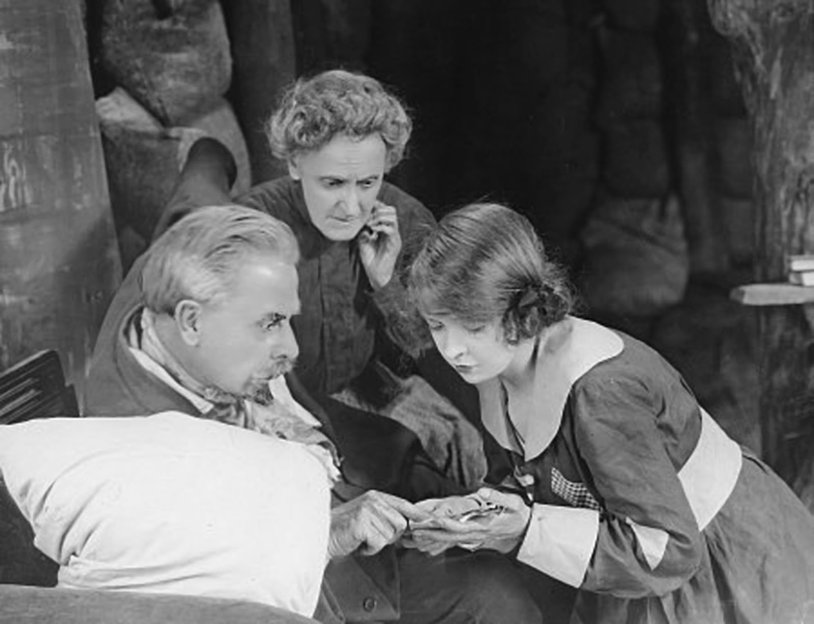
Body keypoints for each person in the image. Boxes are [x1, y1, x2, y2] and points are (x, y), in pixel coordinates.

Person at [85, 205, 544, 624]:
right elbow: (205, 588)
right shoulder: (137, 446)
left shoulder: (182, 260)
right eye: (269, 323)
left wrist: (211, 153)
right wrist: (327, 531)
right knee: (498, 598)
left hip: (358, 473)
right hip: (312, 575)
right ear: (189, 322)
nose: (292, 349)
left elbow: (196, 186)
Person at [404, 202, 814, 624]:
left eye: (471, 327)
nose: (452, 349)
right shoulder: (499, 366)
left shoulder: (599, 395)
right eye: (438, 325)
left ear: (519, 312)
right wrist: (480, 513)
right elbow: (541, 477)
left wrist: (526, 529)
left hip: (719, 567)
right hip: (634, 568)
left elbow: (669, 549)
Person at [155, 69, 487, 490]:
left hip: (370, 387)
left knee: (462, 453)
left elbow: (433, 351)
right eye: (332, 183)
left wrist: (387, 285)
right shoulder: (248, 228)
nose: (351, 206)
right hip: (276, 402)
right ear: (295, 163)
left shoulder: (404, 220)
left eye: (368, 183)